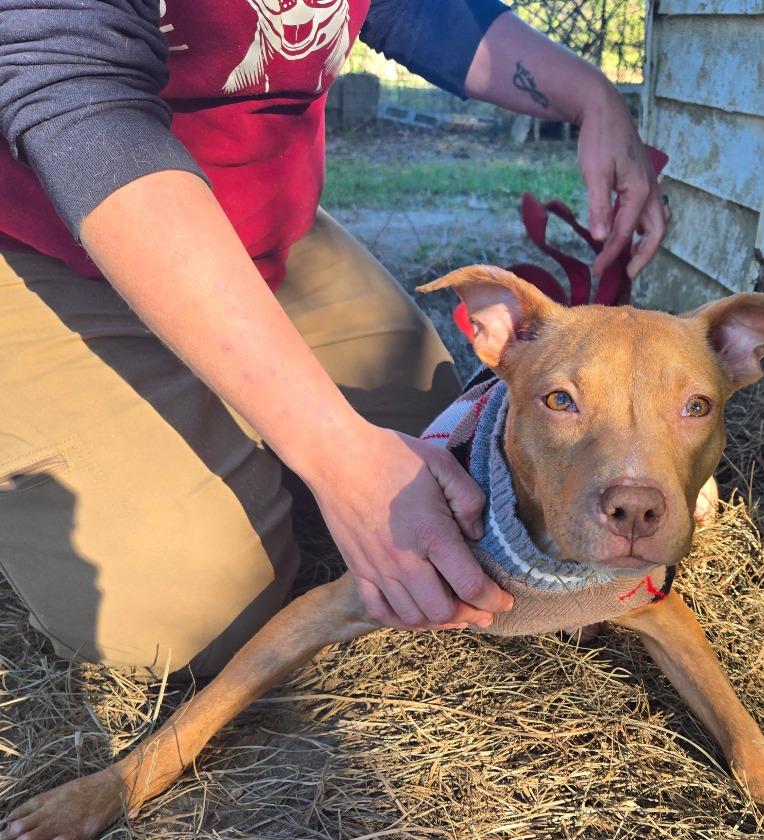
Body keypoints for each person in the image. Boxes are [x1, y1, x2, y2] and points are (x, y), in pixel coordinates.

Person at [0, 2, 667, 677]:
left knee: (451, 465)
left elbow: (416, 10)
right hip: (37, 237)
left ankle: (222, 420)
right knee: (188, 617)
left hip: (257, 231)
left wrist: (592, 96)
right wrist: (334, 451)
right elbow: (73, 95)